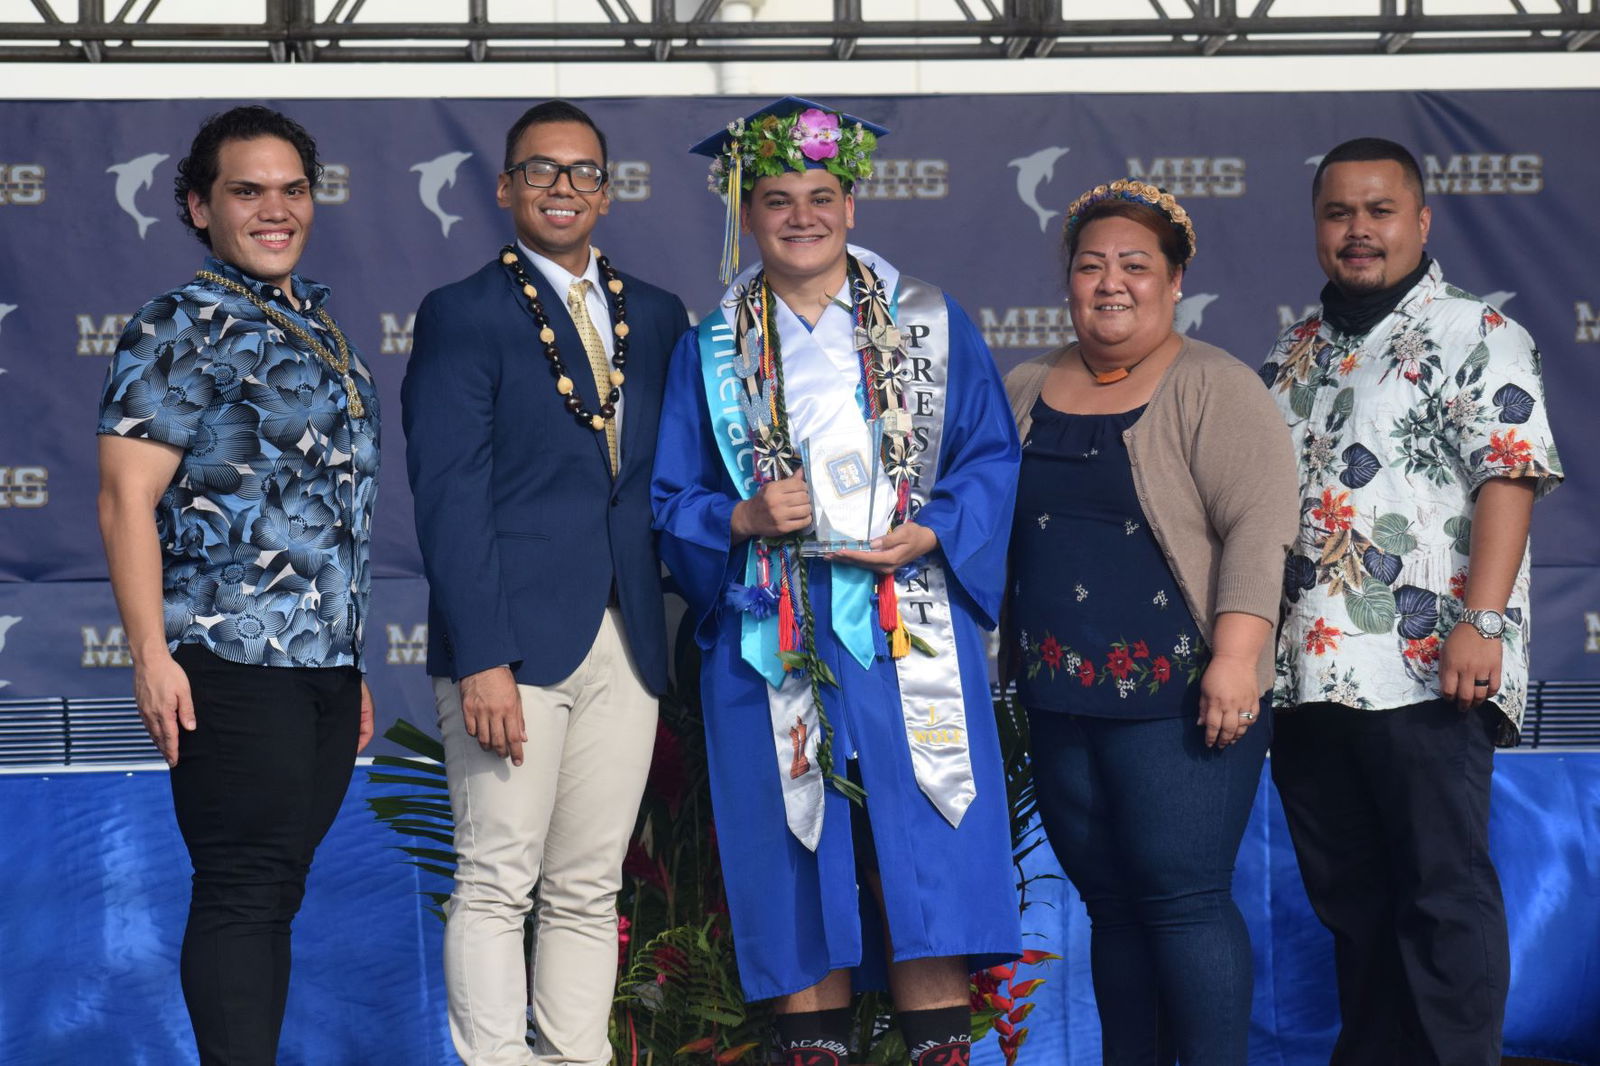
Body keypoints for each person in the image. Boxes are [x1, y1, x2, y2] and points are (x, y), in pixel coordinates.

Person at [651, 98, 1022, 1066]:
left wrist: (932, 529)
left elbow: (988, 459)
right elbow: (668, 497)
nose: (800, 216)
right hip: (769, 623)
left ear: (852, 205)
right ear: (747, 214)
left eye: (820, 195)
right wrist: (735, 518)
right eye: (775, 199)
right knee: (792, 853)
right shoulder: (708, 349)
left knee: (923, 854)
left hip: (909, 624)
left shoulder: (932, 325)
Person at [1262, 137, 1563, 1066]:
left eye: (1378, 211)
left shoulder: (1480, 332)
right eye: (1339, 213)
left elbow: (1508, 479)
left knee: (1441, 895)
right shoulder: (1290, 353)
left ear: (1421, 221)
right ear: (1318, 227)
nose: (1359, 231)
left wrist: (1480, 622)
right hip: (1311, 674)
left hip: (1428, 665)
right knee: (1353, 906)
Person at [401, 100, 689, 1066]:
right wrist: (481, 655)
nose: (563, 188)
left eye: (582, 172)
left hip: (630, 636)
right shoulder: (461, 312)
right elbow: (448, 496)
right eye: (540, 170)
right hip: (512, 643)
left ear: (608, 191)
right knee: (495, 878)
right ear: (504, 188)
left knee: (587, 884)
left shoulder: (657, 314)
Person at [95, 105, 379, 1066]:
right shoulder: (180, 324)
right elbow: (125, 500)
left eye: (291, 189)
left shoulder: (315, 323)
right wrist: (149, 657)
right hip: (225, 657)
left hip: (319, 670)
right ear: (196, 205)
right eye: (246, 191)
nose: (275, 209)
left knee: (271, 891)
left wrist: (344, 661)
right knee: (244, 887)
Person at [1001, 180, 1298, 1065]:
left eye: (1136, 265)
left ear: (1175, 284)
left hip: (1182, 698)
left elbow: (1260, 524)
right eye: (1091, 265)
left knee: (1183, 899)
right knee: (1113, 907)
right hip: (1059, 699)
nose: (1111, 283)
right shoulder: (1021, 385)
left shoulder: (1216, 384)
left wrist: (1238, 658)